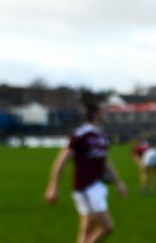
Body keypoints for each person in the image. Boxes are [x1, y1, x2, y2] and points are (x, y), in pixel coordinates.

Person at [45, 101, 127, 243]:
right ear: (95, 114)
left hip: (97, 186)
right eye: (104, 110)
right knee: (108, 227)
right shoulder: (81, 134)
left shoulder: (101, 136)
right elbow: (62, 160)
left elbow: (105, 161)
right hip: (86, 187)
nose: (107, 113)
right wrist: (53, 187)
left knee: (87, 230)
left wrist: (119, 182)